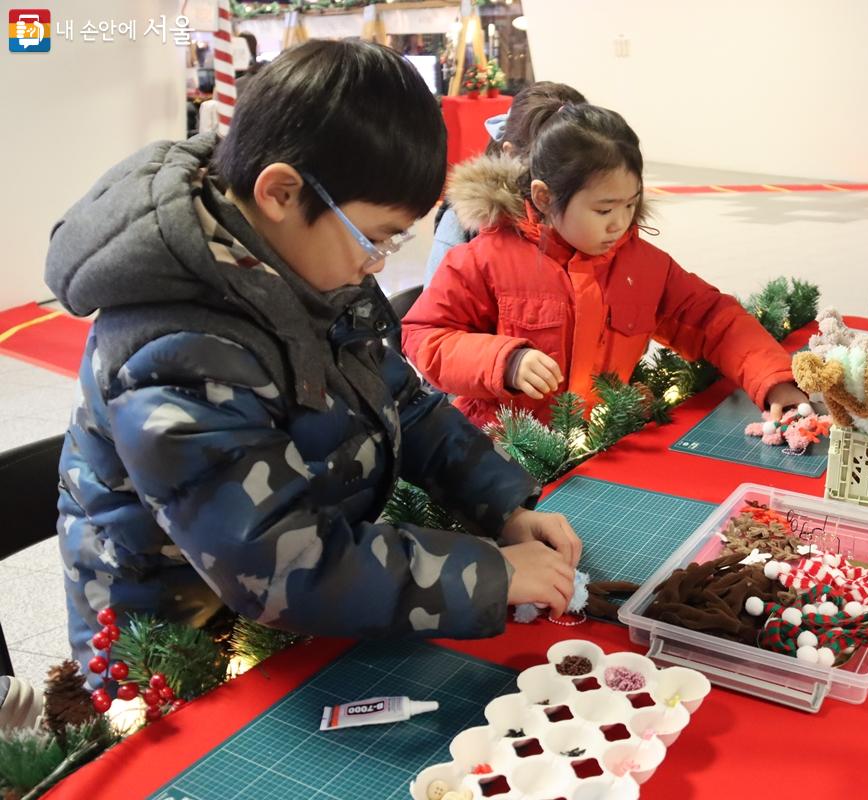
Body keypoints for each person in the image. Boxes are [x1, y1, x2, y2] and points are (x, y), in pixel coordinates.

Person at [44, 40, 581, 676]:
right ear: (280, 192)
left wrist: (505, 506)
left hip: (299, 613)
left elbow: (402, 402)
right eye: (375, 237)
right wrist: (489, 574)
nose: (376, 262)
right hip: (178, 653)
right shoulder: (173, 351)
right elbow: (276, 564)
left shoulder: (308, 261)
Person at [402, 103, 808, 428]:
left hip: (600, 441)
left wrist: (773, 381)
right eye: (603, 209)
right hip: (503, 452)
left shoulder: (642, 265)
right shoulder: (485, 259)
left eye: (631, 205)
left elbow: (712, 318)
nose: (620, 223)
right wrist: (502, 361)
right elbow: (425, 336)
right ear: (544, 198)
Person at [424, 81, 587, 287]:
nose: (568, 175)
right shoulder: (467, 220)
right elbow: (438, 305)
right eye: (556, 160)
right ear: (511, 152)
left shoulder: (604, 208)